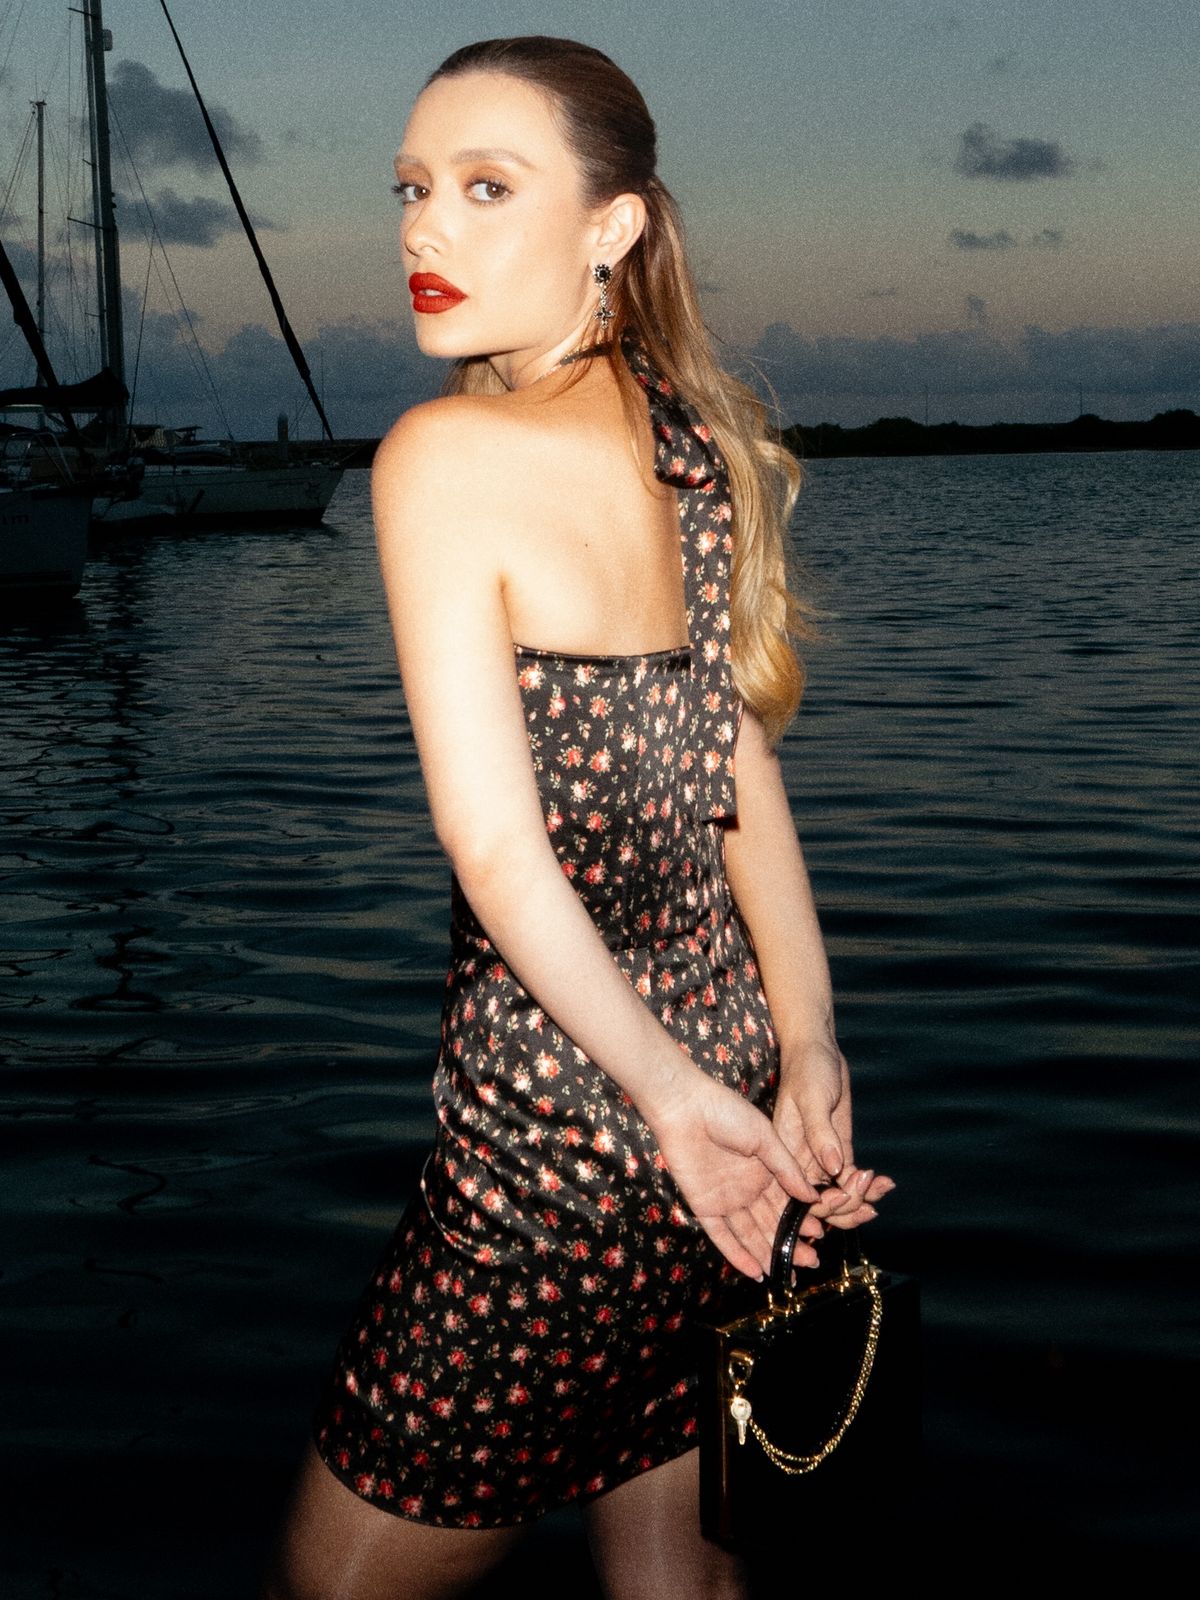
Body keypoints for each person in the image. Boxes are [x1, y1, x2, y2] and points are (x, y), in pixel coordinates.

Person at [260, 35, 894, 1600]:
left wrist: (667, 1104)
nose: (425, 227)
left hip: (565, 1145)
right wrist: (808, 1046)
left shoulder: (441, 457)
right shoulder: (696, 444)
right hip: (733, 1113)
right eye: (412, 188)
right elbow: (741, 782)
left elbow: (497, 848)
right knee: (678, 1578)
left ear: (613, 226)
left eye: (487, 187)